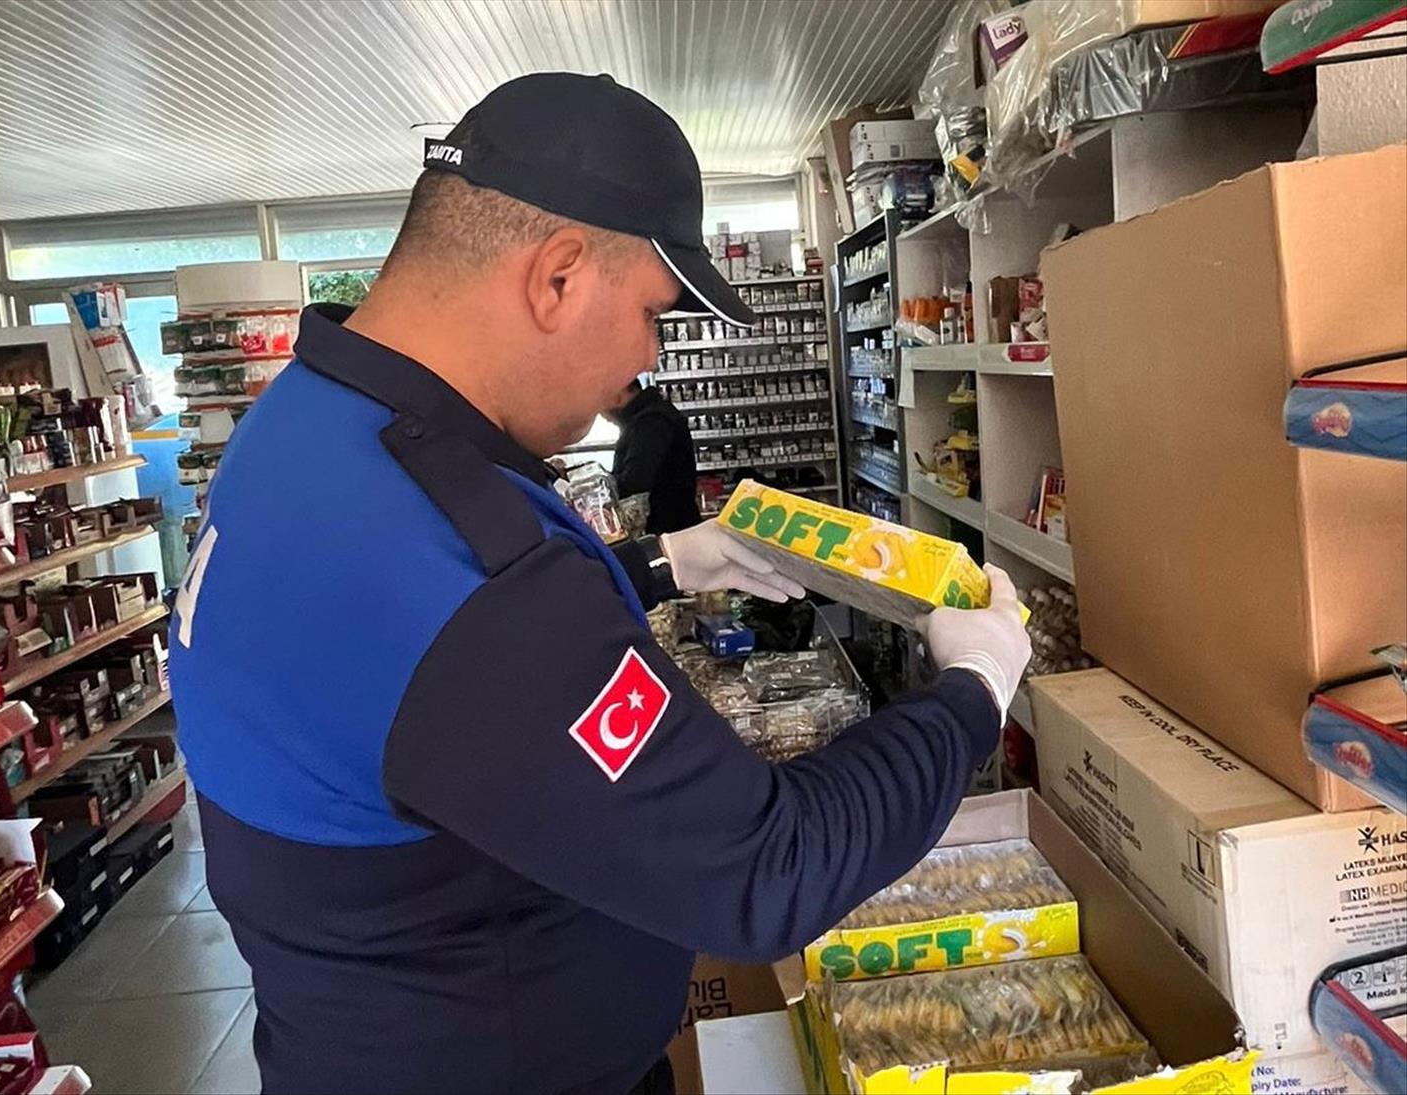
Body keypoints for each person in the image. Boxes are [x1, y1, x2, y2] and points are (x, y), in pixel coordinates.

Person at [170, 72, 1032, 1095]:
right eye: (654, 313)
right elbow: (767, 871)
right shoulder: (466, 567)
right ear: (559, 277)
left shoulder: (303, 422)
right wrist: (971, 691)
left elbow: (415, 658)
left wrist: (664, 561)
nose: (648, 357)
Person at [606, 378, 700, 535]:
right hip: (673, 527)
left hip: (667, 532)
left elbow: (635, 482)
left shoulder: (650, 421)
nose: (600, 412)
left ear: (618, 393)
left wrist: (602, 486)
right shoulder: (647, 417)